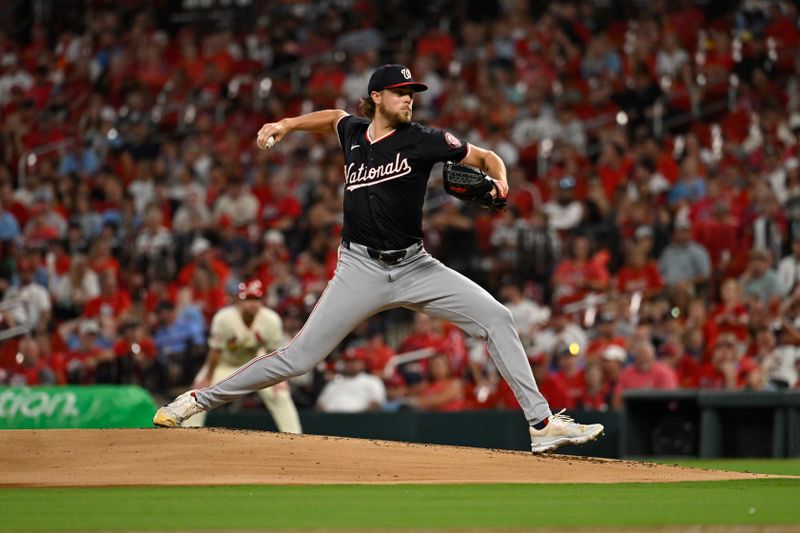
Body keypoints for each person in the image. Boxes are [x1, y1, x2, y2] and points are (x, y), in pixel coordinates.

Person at [154, 64, 603, 453]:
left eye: (412, 93)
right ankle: (198, 400)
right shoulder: (352, 131)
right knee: (298, 358)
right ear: (377, 97)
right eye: (401, 93)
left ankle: (542, 426)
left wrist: (501, 184)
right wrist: (286, 123)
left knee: (498, 318)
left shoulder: (424, 140)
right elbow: (333, 117)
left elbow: (485, 157)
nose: (409, 99)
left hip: (416, 266)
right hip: (360, 268)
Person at [180, 280, 302, 433]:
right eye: (248, 299)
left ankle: (295, 436)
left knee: (281, 395)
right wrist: (208, 377)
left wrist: (279, 381)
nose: (252, 304)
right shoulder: (224, 318)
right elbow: (215, 351)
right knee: (198, 394)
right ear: (239, 300)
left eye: (256, 299)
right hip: (225, 364)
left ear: (262, 301)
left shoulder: (271, 320)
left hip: (256, 364)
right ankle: (187, 435)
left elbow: (274, 353)